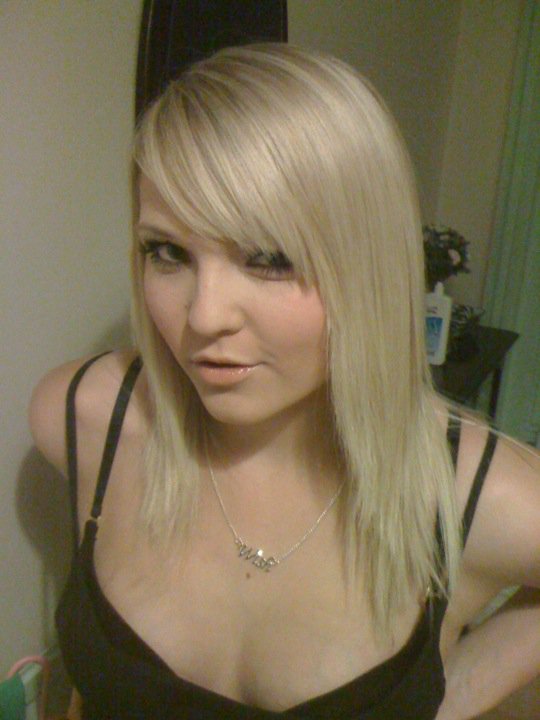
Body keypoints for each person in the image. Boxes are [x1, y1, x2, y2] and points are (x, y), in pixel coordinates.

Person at [29, 43, 540, 720]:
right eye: (168, 252)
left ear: (368, 264)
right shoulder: (88, 418)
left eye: (268, 257)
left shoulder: (474, 495)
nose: (203, 316)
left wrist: (456, 692)